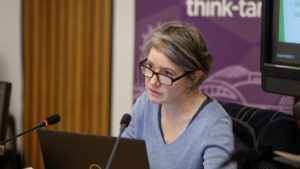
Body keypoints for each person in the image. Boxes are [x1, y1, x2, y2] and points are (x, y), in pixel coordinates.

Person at [122, 21, 236, 169]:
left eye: (167, 73)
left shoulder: (214, 125)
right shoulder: (145, 104)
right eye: (149, 67)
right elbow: (121, 159)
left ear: (193, 78)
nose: (153, 81)